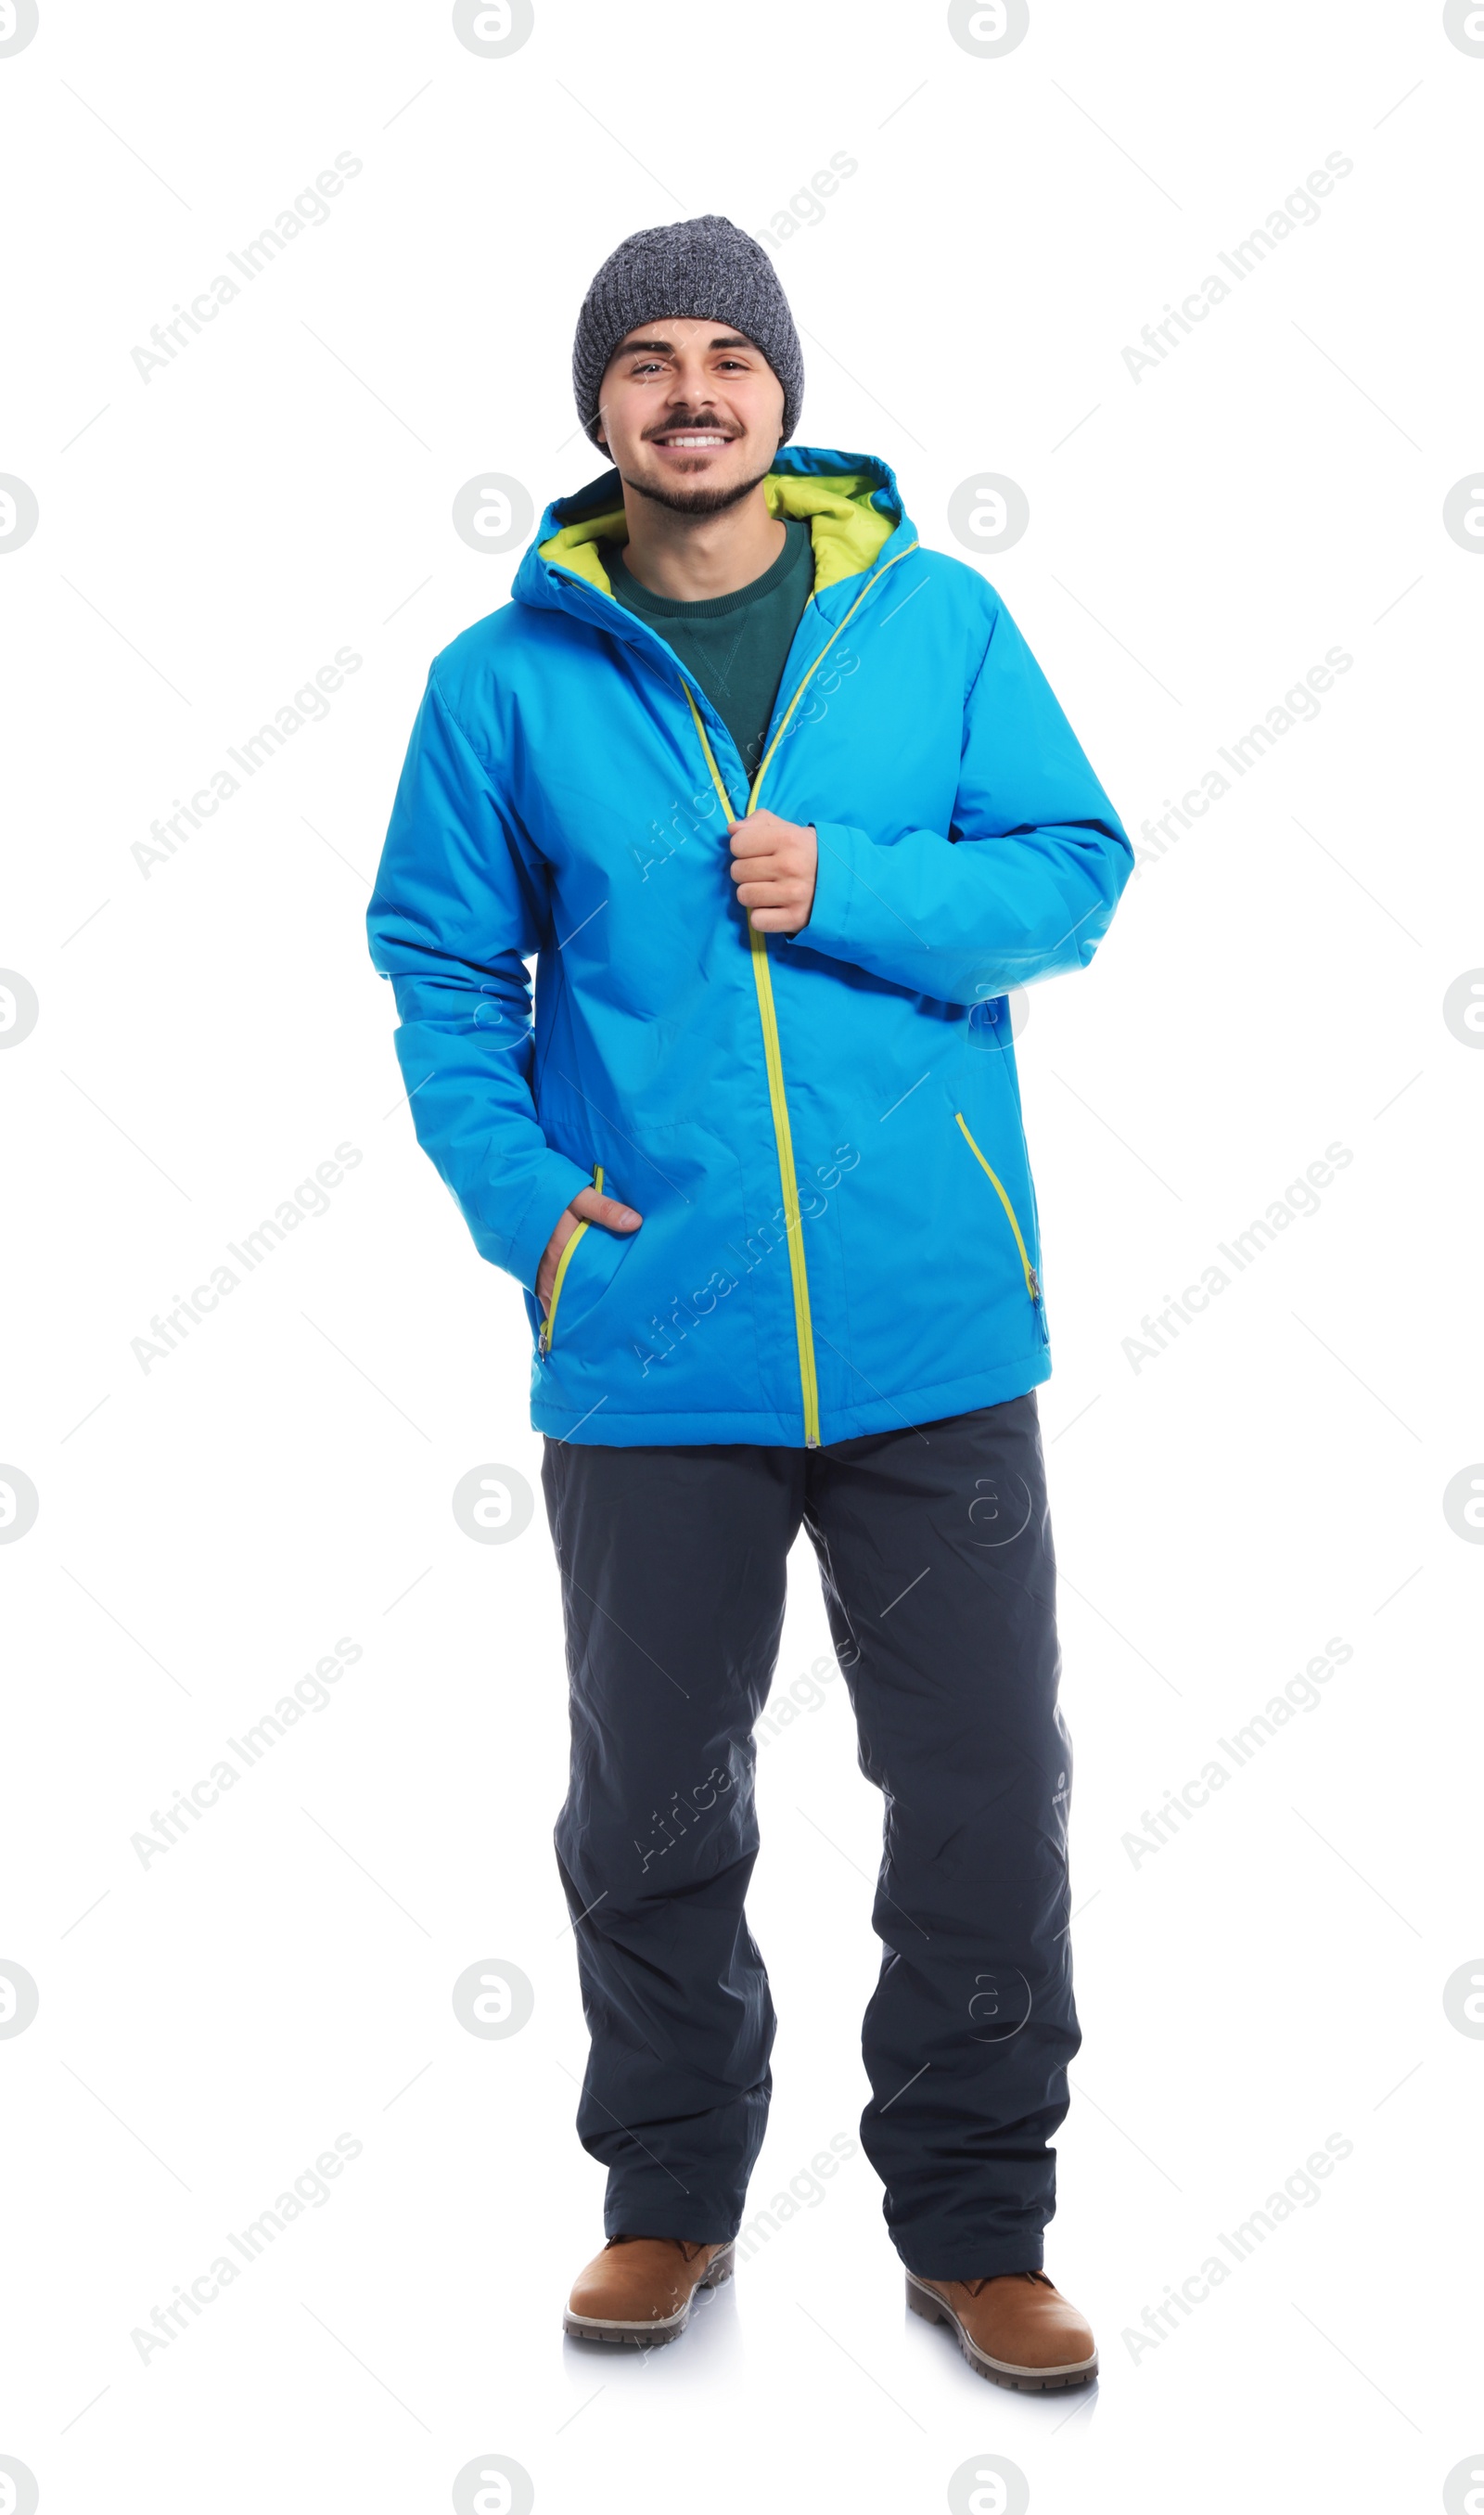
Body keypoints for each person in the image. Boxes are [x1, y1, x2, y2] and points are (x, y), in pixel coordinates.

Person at [367, 214, 1132, 2391]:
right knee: (650, 1810)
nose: (688, 391)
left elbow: (1070, 871)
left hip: (930, 1336)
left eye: (726, 354)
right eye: (645, 363)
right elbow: (439, 967)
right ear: (599, 410)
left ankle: (979, 2230)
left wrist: (855, 884)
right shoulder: (500, 680)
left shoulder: (934, 618)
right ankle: (668, 2198)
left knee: (982, 1792)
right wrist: (525, 1207)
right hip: (647, 1336)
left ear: (783, 395)